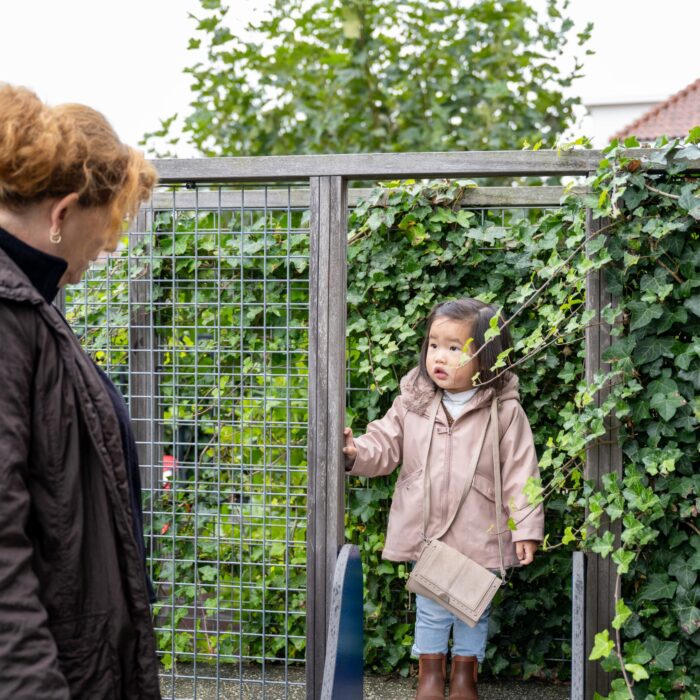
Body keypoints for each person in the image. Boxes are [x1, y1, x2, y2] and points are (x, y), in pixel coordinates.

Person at [0, 84, 161, 699]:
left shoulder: (33, 305)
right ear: (64, 214)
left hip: (82, 657)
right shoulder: (9, 315)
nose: (114, 244)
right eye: (111, 223)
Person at [343, 298, 544, 700]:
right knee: (432, 608)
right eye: (434, 345)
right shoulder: (413, 403)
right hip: (428, 527)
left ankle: (466, 678)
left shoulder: (503, 410)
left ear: (487, 355)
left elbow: (523, 472)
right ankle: (430, 677)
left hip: (481, 529)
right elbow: (384, 443)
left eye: (455, 348)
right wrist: (353, 453)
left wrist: (526, 528)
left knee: (475, 609)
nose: (440, 356)